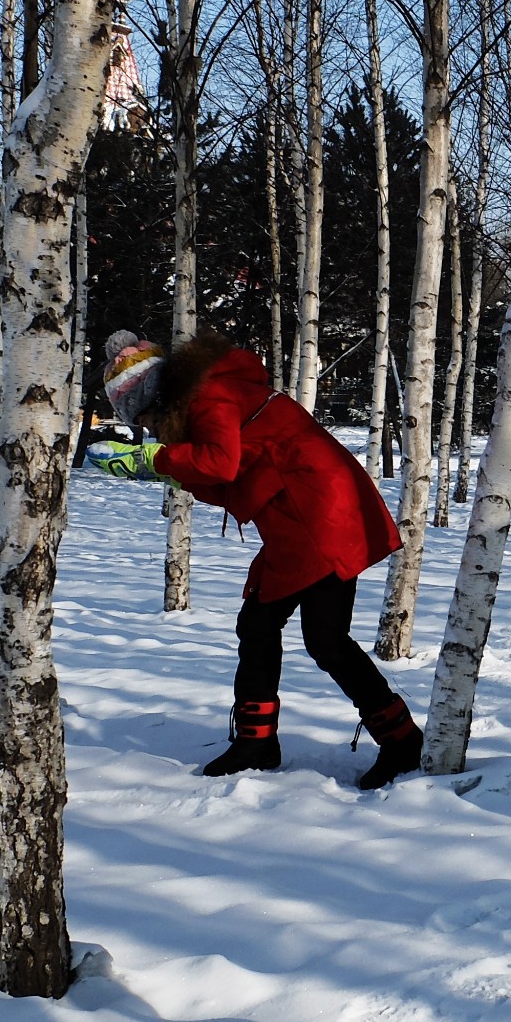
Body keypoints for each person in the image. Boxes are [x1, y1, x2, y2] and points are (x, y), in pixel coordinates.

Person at [88, 329, 422, 790]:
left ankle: (401, 741)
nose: (147, 428)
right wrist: (161, 469)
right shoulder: (205, 397)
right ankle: (257, 742)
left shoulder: (211, 395)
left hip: (319, 515)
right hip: (300, 515)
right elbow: (227, 481)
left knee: (323, 639)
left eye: (143, 418)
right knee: (264, 626)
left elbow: (220, 464)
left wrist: (155, 461)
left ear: (155, 397)